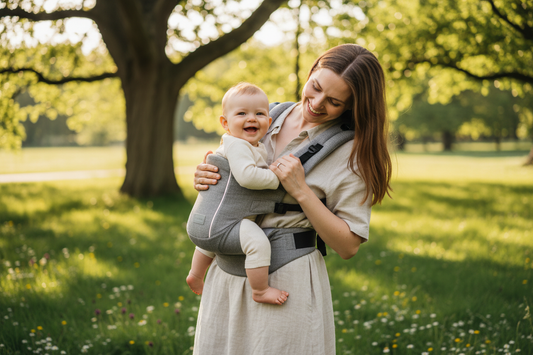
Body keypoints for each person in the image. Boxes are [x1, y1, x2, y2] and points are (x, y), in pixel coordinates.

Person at [192, 44, 392, 354]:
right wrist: (208, 176)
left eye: (335, 102)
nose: (316, 103)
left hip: (286, 278)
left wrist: (301, 191)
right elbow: (231, 170)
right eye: (315, 87)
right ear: (311, 72)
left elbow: (349, 245)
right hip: (227, 271)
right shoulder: (263, 113)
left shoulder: (351, 155)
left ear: (352, 107)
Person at [186, 82, 289, 306]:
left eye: (259, 114)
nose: (251, 118)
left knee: (208, 241)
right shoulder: (238, 145)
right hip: (224, 223)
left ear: (269, 122)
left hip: (208, 222)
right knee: (258, 242)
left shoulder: (248, 145)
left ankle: (195, 273)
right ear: (225, 123)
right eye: (242, 113)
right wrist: (277, 178)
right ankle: (260, 290)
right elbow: (247, 177)